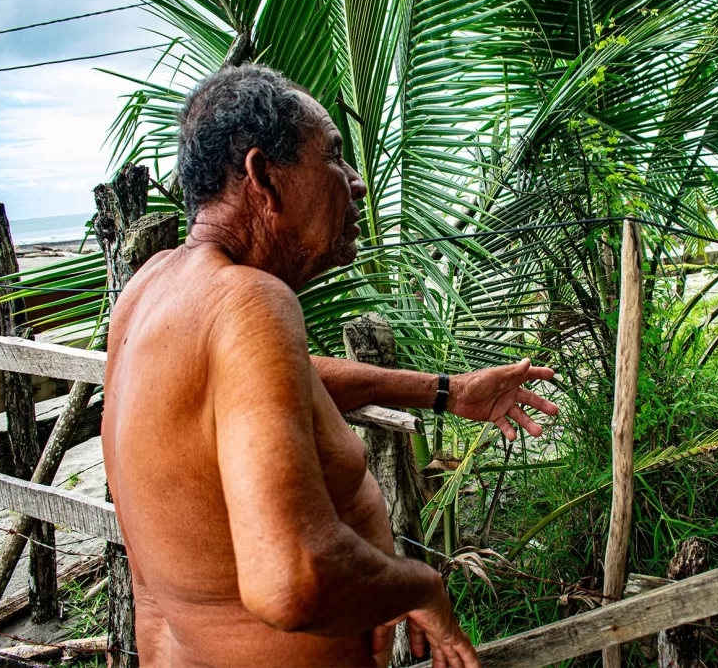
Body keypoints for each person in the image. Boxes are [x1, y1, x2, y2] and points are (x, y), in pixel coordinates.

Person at [101, 64, 558, 667]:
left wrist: (451, 391)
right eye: (335, 158)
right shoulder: (250, 302)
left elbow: (276, 384)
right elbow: (292, 582)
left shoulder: (149, 291)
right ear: (264, 177)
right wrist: (420, 585)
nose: (356, 183)